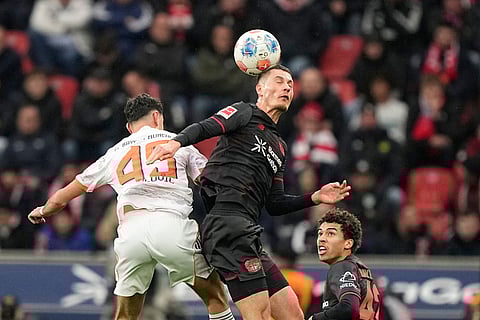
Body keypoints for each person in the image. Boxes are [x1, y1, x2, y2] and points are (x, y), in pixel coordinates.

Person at [146, 64, 351, 320]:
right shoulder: (245, 112)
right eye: (278, 81)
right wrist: (175, 143)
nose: (287, 87)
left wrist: (315, 198)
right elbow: (206, 127)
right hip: (225, 225)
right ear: (260, 88)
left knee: (292, 314)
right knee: (259, 316)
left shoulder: (280, 146)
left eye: (290, 84)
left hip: (248, 231)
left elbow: (274, 204)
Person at [27, 93, 235, 320]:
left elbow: (61, 198)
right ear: (157, 117)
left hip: (130, 234)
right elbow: (210, 181)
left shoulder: (114, 152)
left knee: (126, 314)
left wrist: (42, 210)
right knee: (215, 296)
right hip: (170, 225)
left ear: (129, 126)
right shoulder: (177, 142)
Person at [309, 208, 380, 320]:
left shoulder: (342, 266)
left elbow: (349, 308)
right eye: (320, 233)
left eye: (330, 233)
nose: (322, 239)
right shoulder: (362, 269)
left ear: (348, 243)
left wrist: (315, 319)